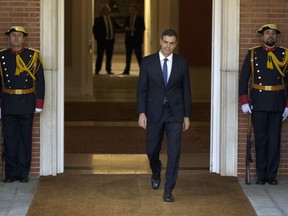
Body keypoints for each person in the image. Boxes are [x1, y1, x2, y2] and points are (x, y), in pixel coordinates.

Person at [137, 29, 192, 202]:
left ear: (175, 44)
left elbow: (186, 91)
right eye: (166, 42)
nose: (168, 46)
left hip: (175, 113)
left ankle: (168, 190)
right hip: (154, 112)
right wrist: (141, 113)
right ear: (160, 41)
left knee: (174, 152)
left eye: (172, 43)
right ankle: (156, 170)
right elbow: (141, 90)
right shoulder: (147, 62)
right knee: (151, 149)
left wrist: (186, 116)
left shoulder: (182, 63)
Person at [239, 23, 288, 185]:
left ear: (276, 36)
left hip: (277, 101)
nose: (270, 36)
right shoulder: (253, 53)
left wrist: (287, 104)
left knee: (274, 139)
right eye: (267, 33)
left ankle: (271, 175)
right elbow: (243, 78)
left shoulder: (284, 54)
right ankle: (261, 175)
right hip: (258, 102)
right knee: (261, 139)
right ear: (262, 36)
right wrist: (244, 100)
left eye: (273, 33)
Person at [0, 26, 45, 183]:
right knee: (10, 139)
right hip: (8, 102)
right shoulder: (2, 56)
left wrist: (39, 103)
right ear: (9, 38)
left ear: (24, 38)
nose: (16, 38)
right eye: (13, 35)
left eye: (19, 35)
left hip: (26, 102)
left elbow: (40, 81)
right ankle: (11, 174)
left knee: (25, 139)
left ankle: (23, 173)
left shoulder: (33, 56)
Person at [93, 4, 121, 75]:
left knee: (109, 56)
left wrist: (126, 27)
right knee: (100, 55)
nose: (107, 11)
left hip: (110, 40)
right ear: (102, 11)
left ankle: (108, 69)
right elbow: (95, 30)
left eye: (108, 10)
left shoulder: (112, 19)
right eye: (105, 10)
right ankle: (97, 69)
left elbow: (118, 27)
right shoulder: (98, 20)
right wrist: (97, 38)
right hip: (102, 41)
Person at [122, 4, 145, 75]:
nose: (132, 11)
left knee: (139, 56)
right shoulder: (128, 18)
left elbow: (143, 28)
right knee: (128, 56)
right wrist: (126, 28)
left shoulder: (140, 19)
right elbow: (124, 26)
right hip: (129, 39)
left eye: (133, 10)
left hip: (137, 40)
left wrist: (135, 29)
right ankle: (127, 70)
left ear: (136, 11)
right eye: (131, 10)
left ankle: (143, 71)